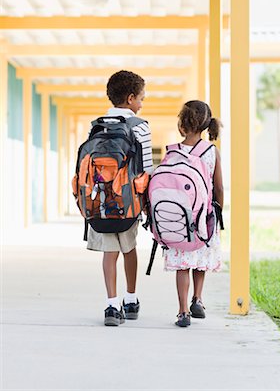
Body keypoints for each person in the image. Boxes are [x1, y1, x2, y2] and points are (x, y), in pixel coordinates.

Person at [86, 70, 153, 326]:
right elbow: (146, 167)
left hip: (101, 201)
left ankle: (112, 305)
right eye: (141, 99)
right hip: (129, 201)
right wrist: (146, 204)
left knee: (109, 252)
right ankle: (131, 299)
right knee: (129, 248)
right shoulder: (140, 126)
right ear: (131, 98)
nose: (142, 104)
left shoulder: (96, 125)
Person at [164, 100, 224, 327]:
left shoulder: (173, 152)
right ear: (207, 125)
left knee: (183, 265)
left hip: (178, 219)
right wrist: (219, 211)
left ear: (182, 125)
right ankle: (197, 298)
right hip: (204, 215)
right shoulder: (211, 152)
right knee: (200, 260)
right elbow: (218, 187)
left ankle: (182, 312)